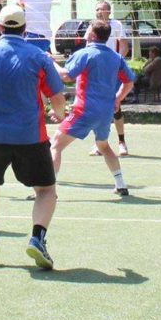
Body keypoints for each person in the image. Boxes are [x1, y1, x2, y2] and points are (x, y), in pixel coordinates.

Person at [0, 2, 67, 269]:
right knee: (46, 190)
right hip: (31, 135)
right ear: (25, 28)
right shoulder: (39, 56)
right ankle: (37, 238)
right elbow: (57, 97)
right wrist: (58, 114)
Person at [52, 20, 136, 196]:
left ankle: (48, 190)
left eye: (87, 30)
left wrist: (50, 61)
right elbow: (129, 81)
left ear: (91, 35)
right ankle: (120, 184)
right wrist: (117, 99)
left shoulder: (85, 53)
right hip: (105, 112)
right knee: (103, 146)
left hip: (85, 110)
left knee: (56, 145)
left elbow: (66, 76)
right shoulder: (116, 57)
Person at [92, 0, 132, 154]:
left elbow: (124, 46)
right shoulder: (92, 26)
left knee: (115, 106)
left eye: (102, 9)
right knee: (97, 108)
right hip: (97, 73)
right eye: (97, 9)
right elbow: (88, 47)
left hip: (112, 72)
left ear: (109, 12)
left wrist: (115, 64)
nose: (99, 12)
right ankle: (100, 143)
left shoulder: (116, 25)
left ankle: (121, 142)